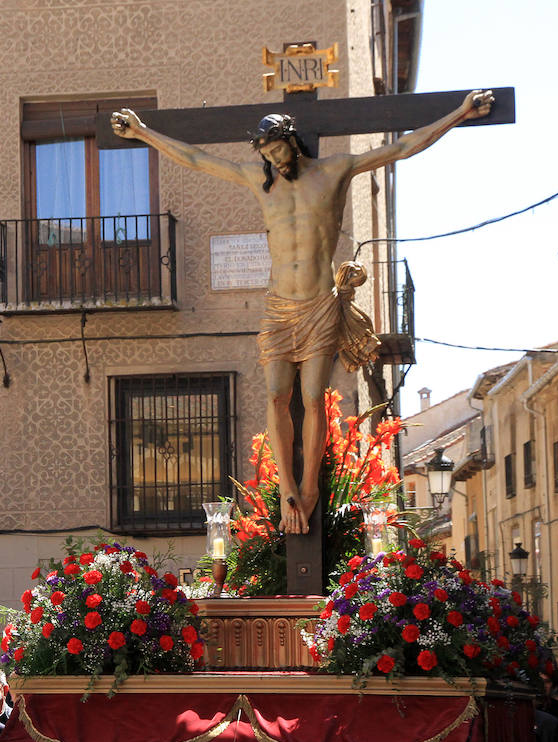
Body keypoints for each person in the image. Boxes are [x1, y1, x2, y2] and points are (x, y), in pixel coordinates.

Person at [112, 91, 492, 533]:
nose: (275, 160)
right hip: (278, 307)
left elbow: (402, 147)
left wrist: (460, 114)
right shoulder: (260, 181)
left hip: (317, 304)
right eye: (268, 155)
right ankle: (288, 488)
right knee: (276, 395)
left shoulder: (335, 171)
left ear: (294, 141)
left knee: (312, 398)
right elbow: (196, 160)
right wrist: (141, 132)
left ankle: (310, 487)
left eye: (279, 150)